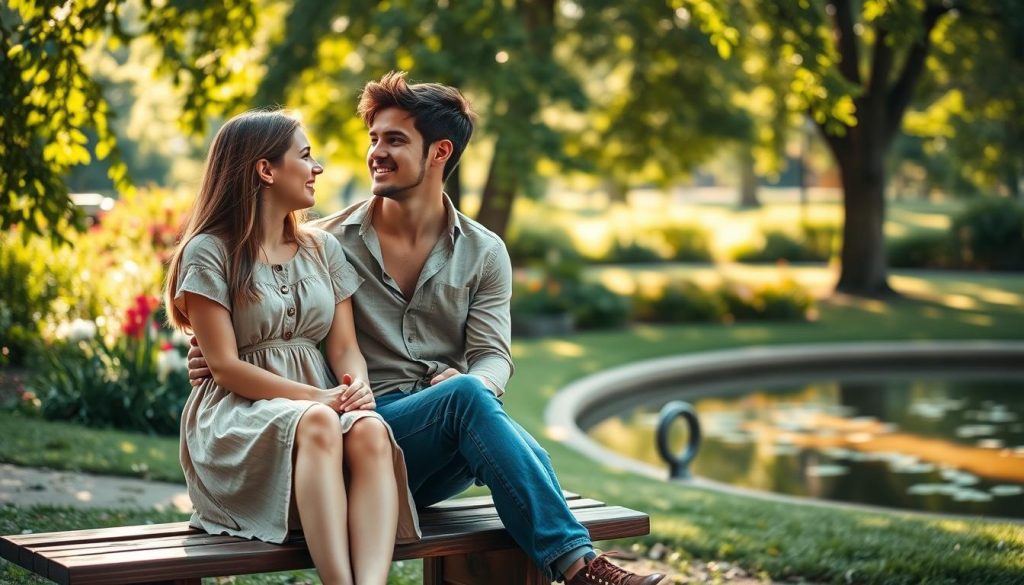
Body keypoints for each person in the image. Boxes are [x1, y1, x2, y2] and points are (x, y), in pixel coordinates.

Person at [189, 74, 665, 585]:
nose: (376, 153)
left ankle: (579, 564)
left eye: (394, 140)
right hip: (354, 431)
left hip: (430, 447)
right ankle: (579, 567)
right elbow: (252, 306)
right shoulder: (324, 242)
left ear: (439, 152)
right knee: (479, 411)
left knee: (476, 402)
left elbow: (492, 355)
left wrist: (474, 383)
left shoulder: (483, 252)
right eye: (374, 139)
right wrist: (210, 357)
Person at [165, 110, 419, 585]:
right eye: (304, 157)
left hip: (319, 413)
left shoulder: (322, 249)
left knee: (368, 429)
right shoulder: (208, 252)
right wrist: (319, 400)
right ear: (266, 170)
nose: (316, 167)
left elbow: (344, 348)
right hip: (237, 421)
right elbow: (222, 366)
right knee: (322, 419)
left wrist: (356, 389)